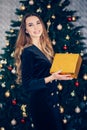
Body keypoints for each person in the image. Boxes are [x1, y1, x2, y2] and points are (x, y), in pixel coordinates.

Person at [14, 13, 73, 130]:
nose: (36, 28)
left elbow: (45, 73)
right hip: (41, 105)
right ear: (26, 30)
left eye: (38, 23)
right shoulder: (28, 52)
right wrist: (52, 77)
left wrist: (64, 73)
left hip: (52, 102)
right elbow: (27, 85)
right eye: (31, 25)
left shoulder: (45, 48)